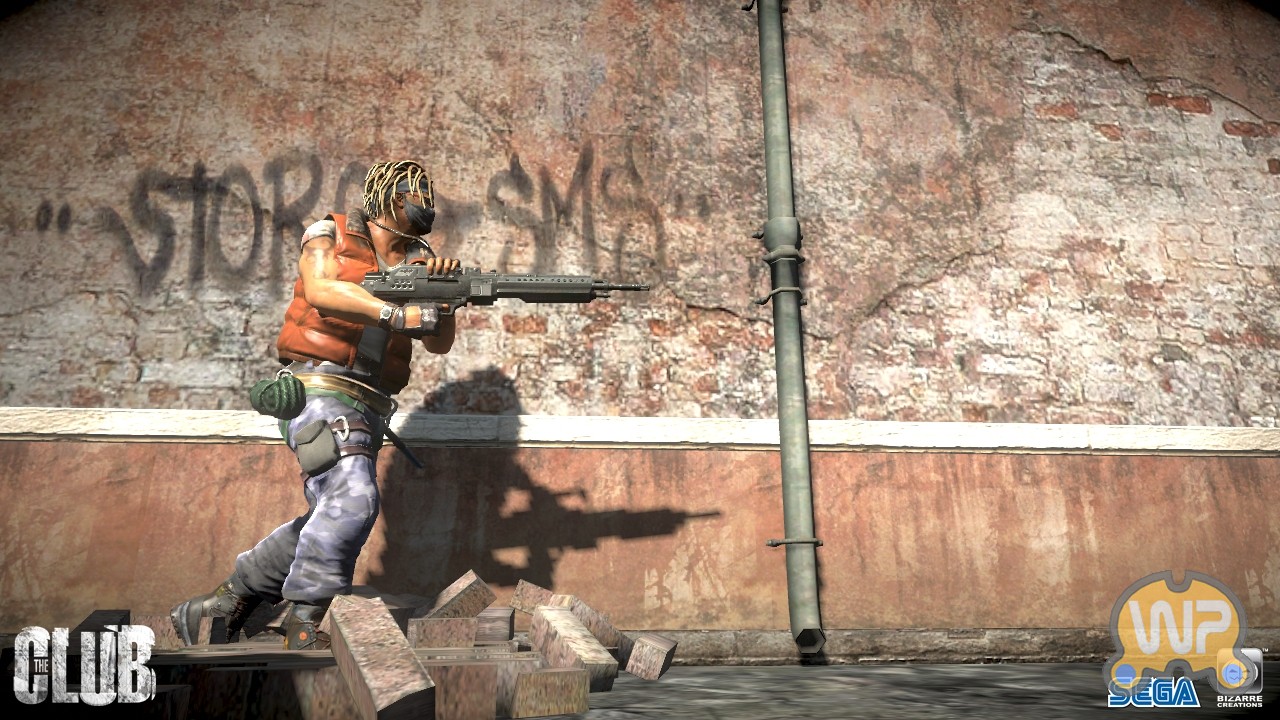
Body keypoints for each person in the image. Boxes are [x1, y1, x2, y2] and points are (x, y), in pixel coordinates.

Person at [169, 160, 460, 650]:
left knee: (331, 511)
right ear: (391, 196)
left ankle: (231, 596)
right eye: (418, 193)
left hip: (370, 405)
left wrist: (445, 298)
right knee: (354, 499)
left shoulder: (420, 261)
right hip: (318, 391)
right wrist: (394, 314)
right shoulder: (329, 233)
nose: (427, 204)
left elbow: (438, 344)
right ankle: (304, 620)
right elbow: (323, 291)